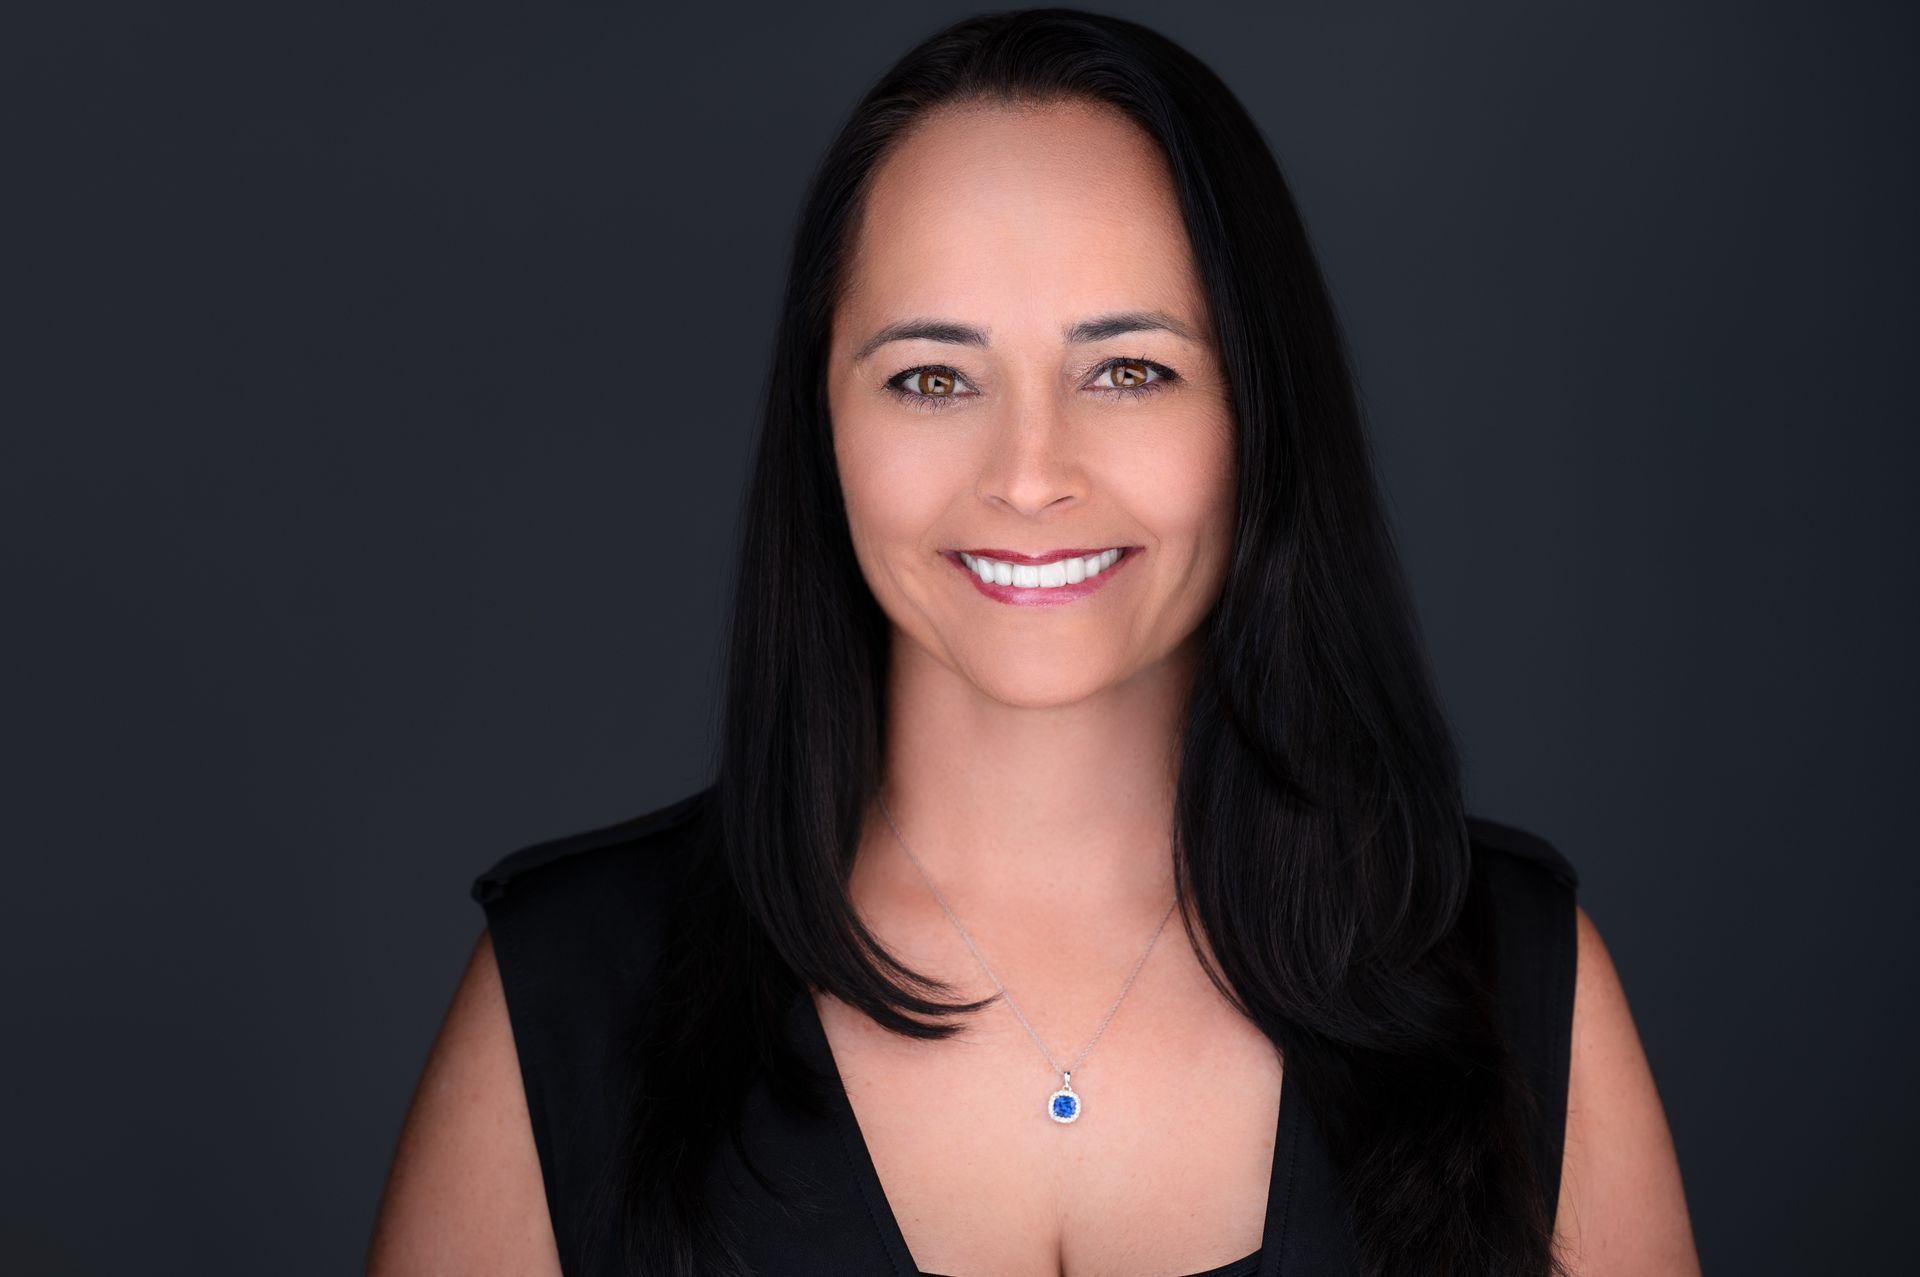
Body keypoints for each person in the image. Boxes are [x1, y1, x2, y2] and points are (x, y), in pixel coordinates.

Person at [368, 9, 1699, 1276]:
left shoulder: (1509, 977)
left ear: (1256, 414)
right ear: (823, 428)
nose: (1028, 472)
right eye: (932, 377)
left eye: (1127, 368)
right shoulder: (572, 998)